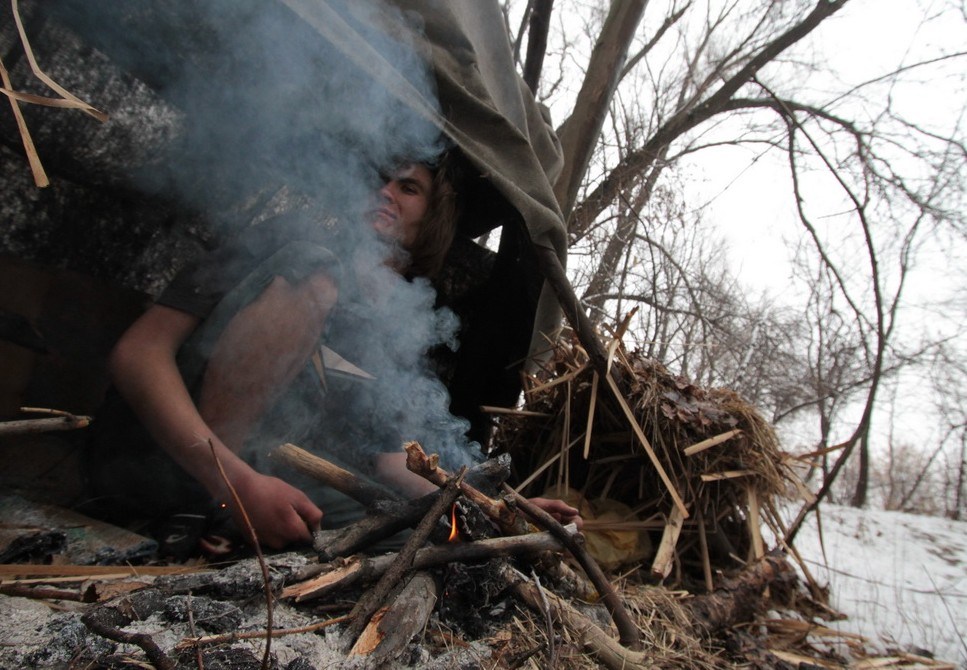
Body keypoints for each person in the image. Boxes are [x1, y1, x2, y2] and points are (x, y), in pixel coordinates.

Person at [86, 152, 579, 553]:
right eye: (379, 180)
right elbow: (138, 352)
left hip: (264, 487)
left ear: (435, 216)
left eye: (408, 188)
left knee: (413, 545)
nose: (386, 192)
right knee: (315, 269)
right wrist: (232, 485)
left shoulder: (398, 329)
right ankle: (204, 507)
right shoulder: (293, 246)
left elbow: (395, 461)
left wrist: (497, 510)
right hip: (166, 469)